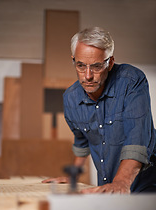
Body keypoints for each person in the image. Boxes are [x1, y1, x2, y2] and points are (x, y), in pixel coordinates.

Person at [42, 27, 156, 193]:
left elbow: (137, 137)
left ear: (109, 63)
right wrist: (73, 177)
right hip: (110, 183)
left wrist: (122, 182)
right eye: (81, 65)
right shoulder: (71, 98)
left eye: (96, 66)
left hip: (147, 183)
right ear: (73, 60)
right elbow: (82, 141)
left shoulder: (131, 81)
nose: (87, 76)